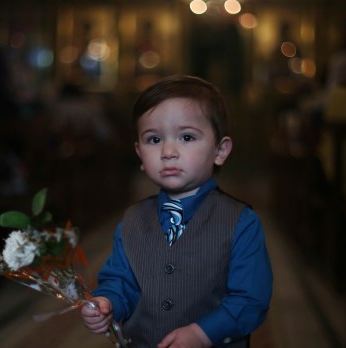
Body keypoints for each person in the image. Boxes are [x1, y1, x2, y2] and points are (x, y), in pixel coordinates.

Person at [80, 75, 273, 347]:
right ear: (139, 154)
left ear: (220, 150)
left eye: (186, 137)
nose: (168, 151)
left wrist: (204, 333)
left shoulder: (241, 222)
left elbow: (250, 299)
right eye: (154, 139)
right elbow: (121, 281)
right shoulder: (131, 220)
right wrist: (107, 303)